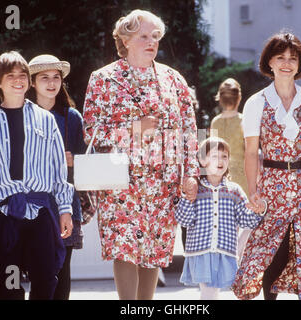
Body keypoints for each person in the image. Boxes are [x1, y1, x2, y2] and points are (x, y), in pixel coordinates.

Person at [82, 9, 199, 300]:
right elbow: (90, 129)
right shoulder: (104, 79)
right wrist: (132, 129)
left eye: (155, 36)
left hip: (164, 183)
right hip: (120, 181)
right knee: (124, 248)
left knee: (154, 250)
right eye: (144, 36)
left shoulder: (174, 80)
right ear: (126, 38)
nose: (152, 42)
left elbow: (189, 132)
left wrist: (192, 173)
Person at [232, 32, 301, 300]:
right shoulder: (257, 103)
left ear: (300, 63)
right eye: (280, 57)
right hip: (272, 184)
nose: (286, 63)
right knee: (272, 250)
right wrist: (253, 191)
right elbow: (251, 151)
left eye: (293, 58)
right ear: (269, 62)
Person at [0, 51, 74, 300]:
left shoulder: (45, 121)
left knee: (46, 280)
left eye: (22, 75)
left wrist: (65, 208)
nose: (17, 80)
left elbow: (58, 169)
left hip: (40, 213)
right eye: (10, 75)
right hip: (3, 216)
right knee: (9, 285)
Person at [175, 137, 267, 300]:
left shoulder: (234, 190)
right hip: (200, 252)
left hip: (224, 252)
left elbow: (247, 221)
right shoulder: (196, 190)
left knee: (214, 292)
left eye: (224, 156)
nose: (221, 160)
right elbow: (184, 220)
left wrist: (258, 211)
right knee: (209, 292)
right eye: (215, 156)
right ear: (203, 161)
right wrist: (187, 199)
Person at [28, 54, 85, 300]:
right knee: (36, 270)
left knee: (62, 270)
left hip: (65, 205)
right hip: (32, 203)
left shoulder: (72, 117)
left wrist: (74, 161)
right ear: (32, 82)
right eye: (44, 78)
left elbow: (87, 164)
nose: (51, 83)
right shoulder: (22, 115)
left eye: (56, 78)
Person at [210, 78, 248, 193]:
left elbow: (210, 152)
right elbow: (250, 152)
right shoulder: (244, 121)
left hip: (220, 176)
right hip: (243, 177)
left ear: (220, 99)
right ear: (239, 98)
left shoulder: (215, 122)